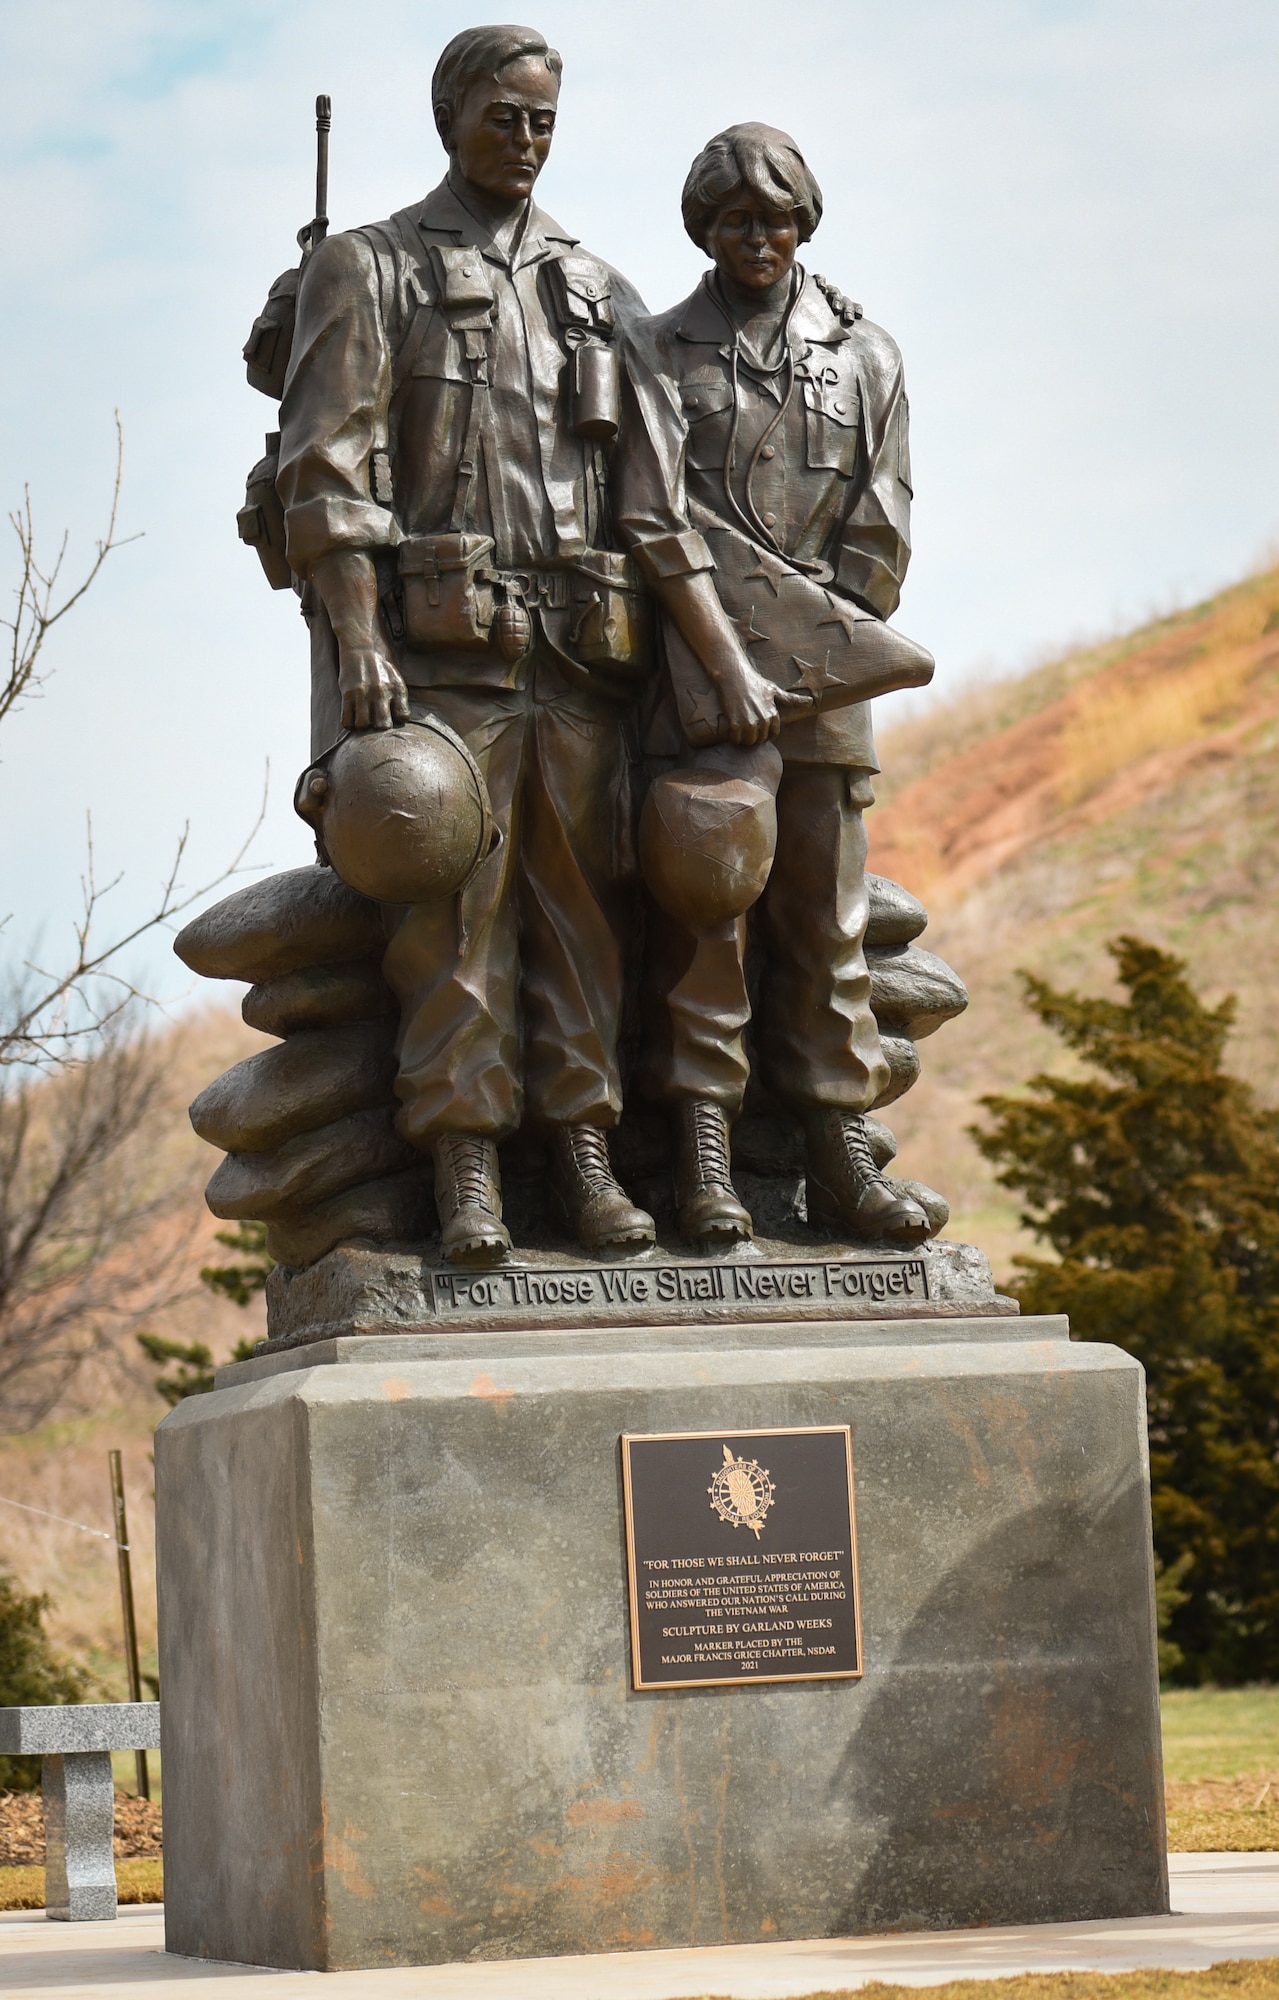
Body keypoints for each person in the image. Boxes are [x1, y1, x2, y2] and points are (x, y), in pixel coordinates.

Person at [276, 25, 656, 1264]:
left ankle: (588, 1157)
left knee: (585, 921)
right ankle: (467, 1166)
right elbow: (324, 477)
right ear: (451, 116)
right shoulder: (373, 266)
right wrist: (357, 641)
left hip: (586, 659)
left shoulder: (597, 287)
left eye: (546, 116)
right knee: (455, 926)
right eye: (505, 113)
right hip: (444, 661)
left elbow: (657, 491)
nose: (528, 137)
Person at [617, 123, 929, 1250]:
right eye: (737, 219)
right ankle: (704, 1155)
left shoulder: (866, 356)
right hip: (696, 688)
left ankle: (839, 1154)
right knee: (704, 921)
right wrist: (729, 657)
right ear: (704, 228)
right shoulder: (654, 350)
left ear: (806, 223)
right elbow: (647, 515)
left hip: (828, 687)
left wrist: (812, 648)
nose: (760, 236)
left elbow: (881, 526)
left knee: (826, 926)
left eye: (778, 217)